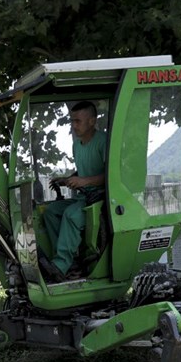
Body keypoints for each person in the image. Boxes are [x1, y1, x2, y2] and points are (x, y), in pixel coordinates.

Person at [40, 101, 108, 280]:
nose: (74, 125)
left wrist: (83, 181)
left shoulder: (104, 142)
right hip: (82, 198)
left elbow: (111, 175)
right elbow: (84, 171)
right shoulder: (77, 145)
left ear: (92, 122)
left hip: (99, 199)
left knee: (70, 215)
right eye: (72, 121)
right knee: (51, 212)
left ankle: (61, 265)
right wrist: (67, 179)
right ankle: (68, 262)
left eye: (78, 121)